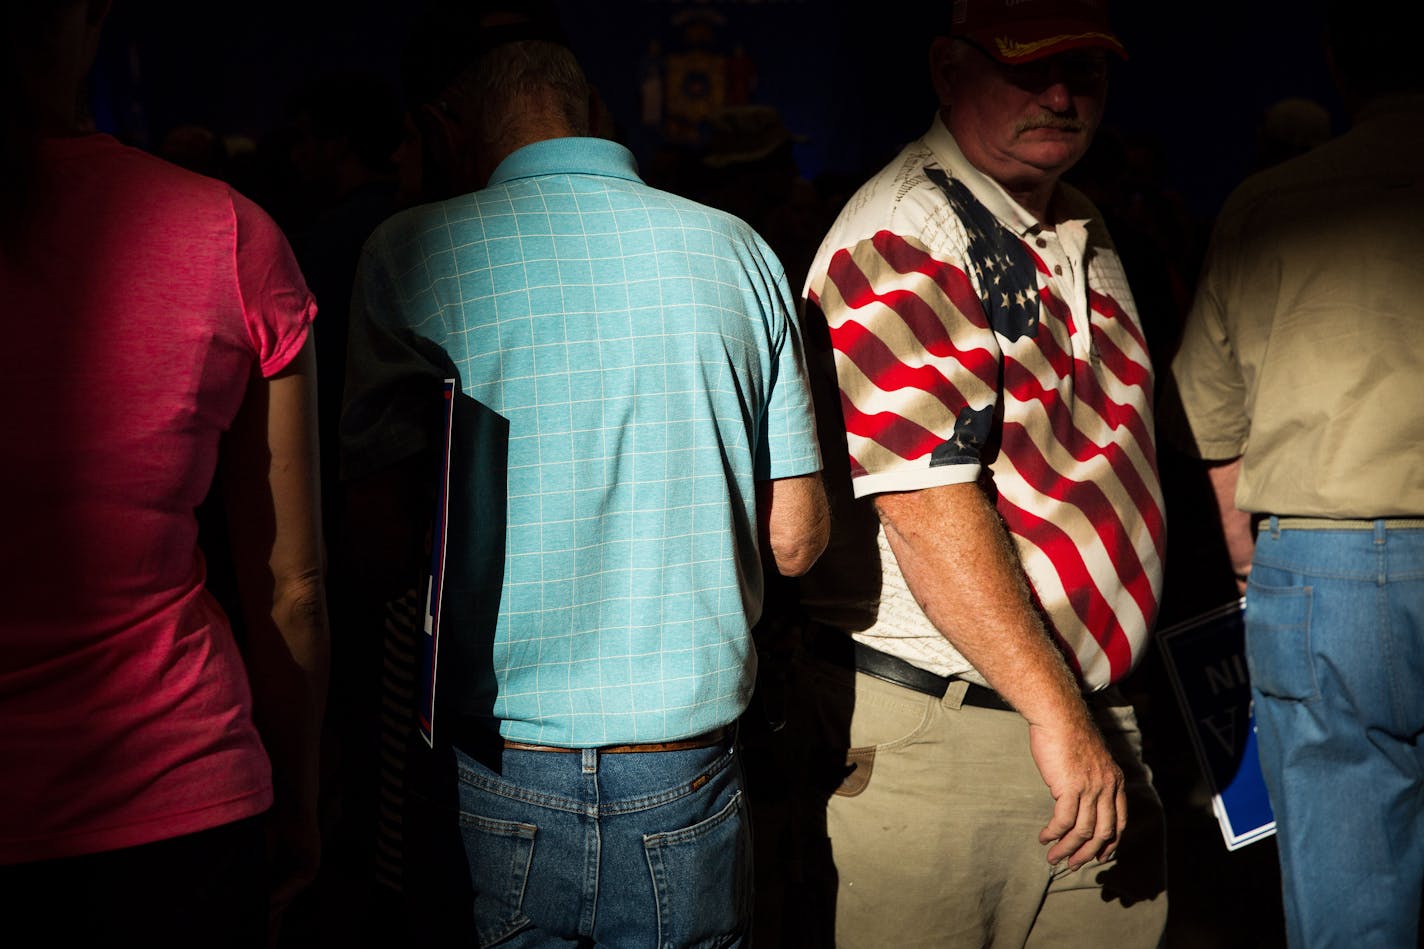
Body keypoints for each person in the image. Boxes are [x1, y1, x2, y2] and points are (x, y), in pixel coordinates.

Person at [340, 25, 828, 948]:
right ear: (593, 114)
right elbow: (797, 539)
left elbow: (377, 543)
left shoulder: (406, 254)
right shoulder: (739, 250)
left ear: (448, 130)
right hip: (687, 760)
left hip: (498, 757)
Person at [791, 1, 1168, 944]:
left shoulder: (1078, 216)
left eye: (1084, 70)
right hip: (959, 729)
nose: (1059, 94)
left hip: (1082, 724)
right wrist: (1063, 717)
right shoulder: (906, 229)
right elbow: (926, 505)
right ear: (947, 70)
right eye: (1028, 66)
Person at [0, 1, 329, 947]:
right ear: (90, 22)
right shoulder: (228, 235)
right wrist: (299, 797)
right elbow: (293, 587)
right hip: (178, 798)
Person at [1166, 2, 1424, 944]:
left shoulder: (1268, 203)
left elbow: (1212, 419)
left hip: (1319, 573)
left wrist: (1246, 564)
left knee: (1346, 897)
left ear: (1337, 63)